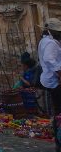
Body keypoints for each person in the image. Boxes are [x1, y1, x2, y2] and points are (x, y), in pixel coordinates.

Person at [38, 18, 61, 152]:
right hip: (54, 81)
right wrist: (59, 72)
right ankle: (59, 140)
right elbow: (49, 59)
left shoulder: (44, 41)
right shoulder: (51, 43)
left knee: (57, 112)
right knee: (59, 112)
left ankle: (58, 140)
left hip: (49, 79)